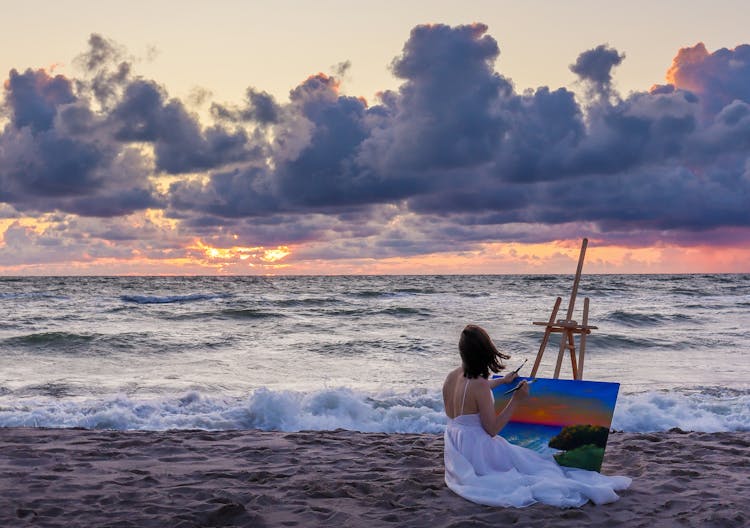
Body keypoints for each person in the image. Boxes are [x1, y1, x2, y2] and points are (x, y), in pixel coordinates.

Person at [443, 324, 631, 508]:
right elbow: (492, 430)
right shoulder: (480, 385)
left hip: (456, 445)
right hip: (476, 450)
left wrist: (502, 381)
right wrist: (516, 399)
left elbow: (472, 396)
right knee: (535, 467)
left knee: (525, 458)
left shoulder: (452, 376)